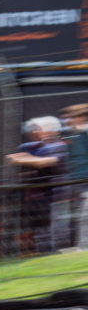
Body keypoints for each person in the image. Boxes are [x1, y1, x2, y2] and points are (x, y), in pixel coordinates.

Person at [8, 116, 70, 254]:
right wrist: (26, 160)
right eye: (32, 128)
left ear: (50, 130)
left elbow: (45, 162)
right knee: (41, 230)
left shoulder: (58, 145)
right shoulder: (30, 147)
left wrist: (24, 159)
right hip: (35, 197)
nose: (33, 132)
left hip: (55, 196)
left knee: (55, 231)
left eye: (37, 128)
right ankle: (45, 255)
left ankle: (57, 256)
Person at [62, 104, 88, 249]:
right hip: (77, 183)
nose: (68, 120)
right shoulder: (71, 134)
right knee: (81, 216)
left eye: (71, 117)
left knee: (85, 217)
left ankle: (84, 248)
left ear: (81, 117)